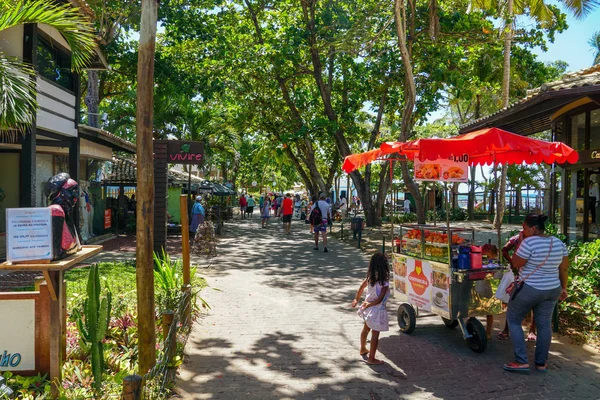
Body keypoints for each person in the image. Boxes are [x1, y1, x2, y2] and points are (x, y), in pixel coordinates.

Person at [503, 214, 569, 373]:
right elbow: (564, 268)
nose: (522, 231)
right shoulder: (558, 242)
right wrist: (564, 288)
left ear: (533, 228)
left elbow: (516, 263)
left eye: (524, 228)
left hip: (530, 288)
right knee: (544, 325)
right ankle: (541, 363)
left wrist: (520, 243)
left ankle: (521, 361)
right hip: (552, 289)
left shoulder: (528, 242)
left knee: (513, 319)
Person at [496, 231, 537, 341]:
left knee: (534, 302)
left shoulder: (537, 240)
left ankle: (532, 331)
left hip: (532, 275)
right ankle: (506, 329)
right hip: (517, 274)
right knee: (512, 300)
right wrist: (512, 263)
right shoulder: (516, 239)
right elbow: (504, 250)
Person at [351, 252, 390, 365]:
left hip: (367, 308)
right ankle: (372, 358)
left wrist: (356, 299)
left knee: (365, 330)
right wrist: (370, 304)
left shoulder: (369, 277)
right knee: (375, 335)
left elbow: (361, 288)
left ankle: (363, 348)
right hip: (376, 310)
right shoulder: (384, 282)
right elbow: (380, 299)